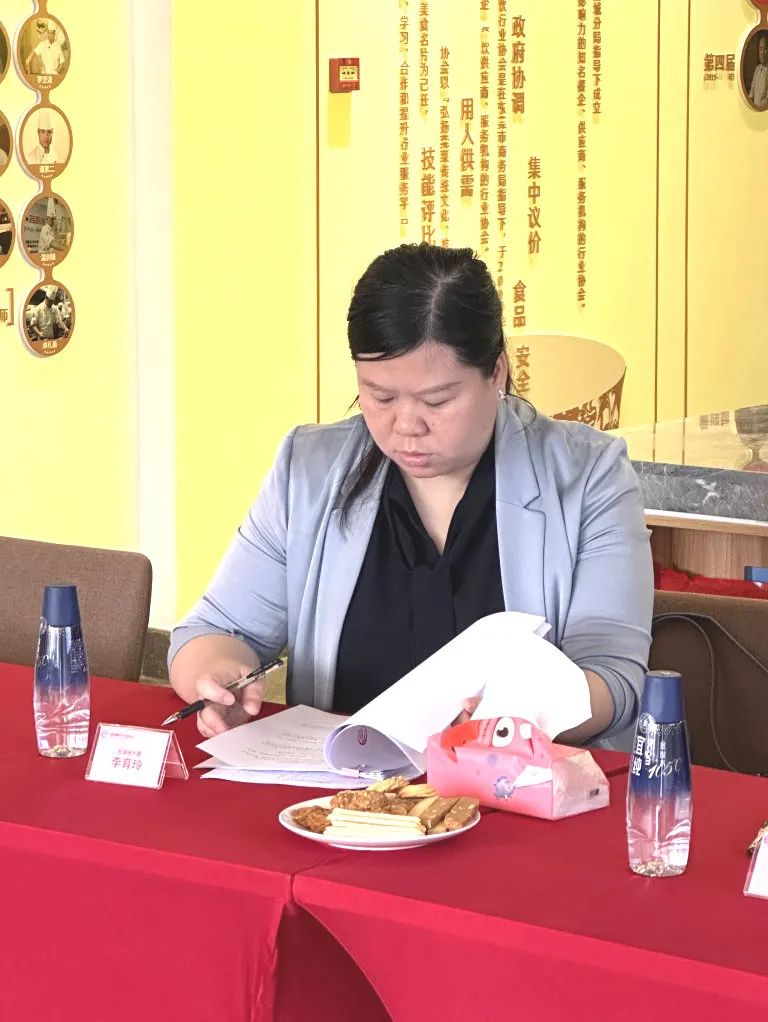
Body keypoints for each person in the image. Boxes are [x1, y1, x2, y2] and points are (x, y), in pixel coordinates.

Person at [169, 243, 653, 751]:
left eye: (436, 401)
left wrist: (522, 712)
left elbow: (614, 679)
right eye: (379, 397)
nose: (406, 426)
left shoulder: (588, 475)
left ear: (496, 372)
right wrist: (214, 673)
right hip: (343, 789)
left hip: (518, 787)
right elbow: (215, 630)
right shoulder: (308, 471)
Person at [749, 32, 768, 110]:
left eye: (765, 49)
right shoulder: (758, 68)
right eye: (760, 49)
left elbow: (766, 100)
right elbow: (752, 91)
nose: (762, 53)